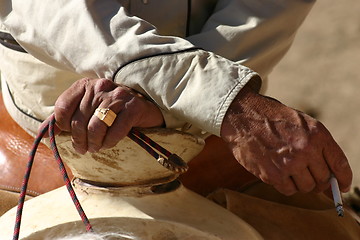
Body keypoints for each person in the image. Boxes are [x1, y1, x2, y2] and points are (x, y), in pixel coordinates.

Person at [0, 0, 352, 210]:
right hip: (45, 119)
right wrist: (223, 101)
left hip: (216, 125)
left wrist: (198, 98)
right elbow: (54, 12)